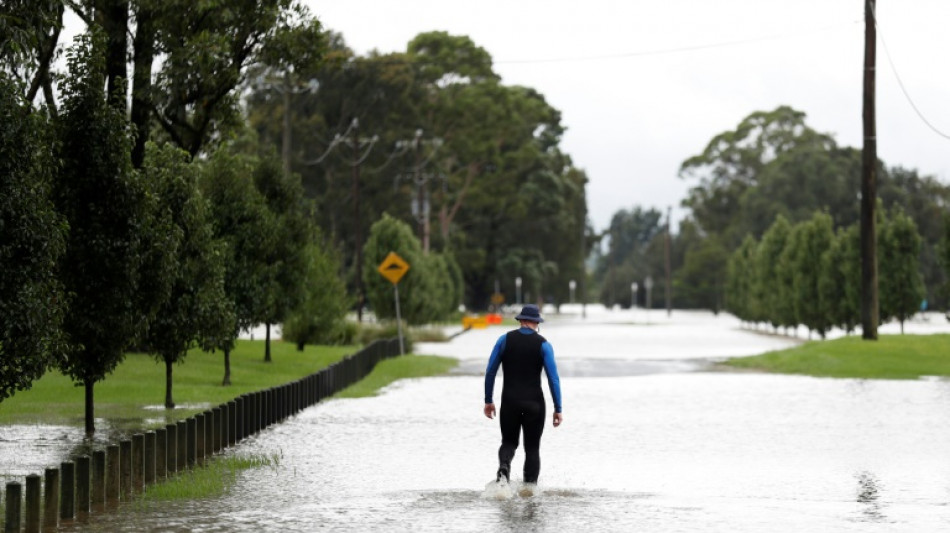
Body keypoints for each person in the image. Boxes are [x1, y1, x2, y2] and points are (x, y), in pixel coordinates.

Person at [483, 304, 563, 485]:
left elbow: (490, 372)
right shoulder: (544, 344)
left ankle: (504, 467)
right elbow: (553, 378)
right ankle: (529, 492)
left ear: (521, 320)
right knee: (532, 449)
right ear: (536, 322)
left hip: (509, 402)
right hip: (535, 404)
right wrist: (558, 408)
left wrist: (489, 400)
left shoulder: (504, 340)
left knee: (509, 443)